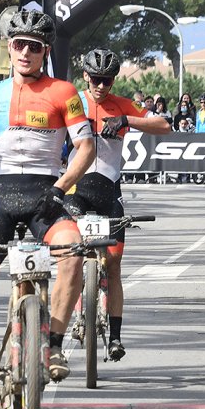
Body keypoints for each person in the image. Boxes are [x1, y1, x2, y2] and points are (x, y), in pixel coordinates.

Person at [0, 10, 96, 403]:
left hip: (45, 194)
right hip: (1, 194)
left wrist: (64, 185)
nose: (25, 52)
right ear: (10, 48)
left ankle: (51, 342)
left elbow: (85, 146)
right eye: (18, 45)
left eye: (34, 47)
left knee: (72, 254)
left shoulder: (64, 92)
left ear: (44, 51)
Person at [66, 47, 170, 361]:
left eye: (107, 81)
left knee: (113, 266)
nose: (100, 86)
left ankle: (115, 337)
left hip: (109, 191)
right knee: (71, 258)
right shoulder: (73, 103)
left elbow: (164, 125)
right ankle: (76, 312)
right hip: (76, 190)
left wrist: (128, 120)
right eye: (96, 79)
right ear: (85, 76)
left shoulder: (122, 104)